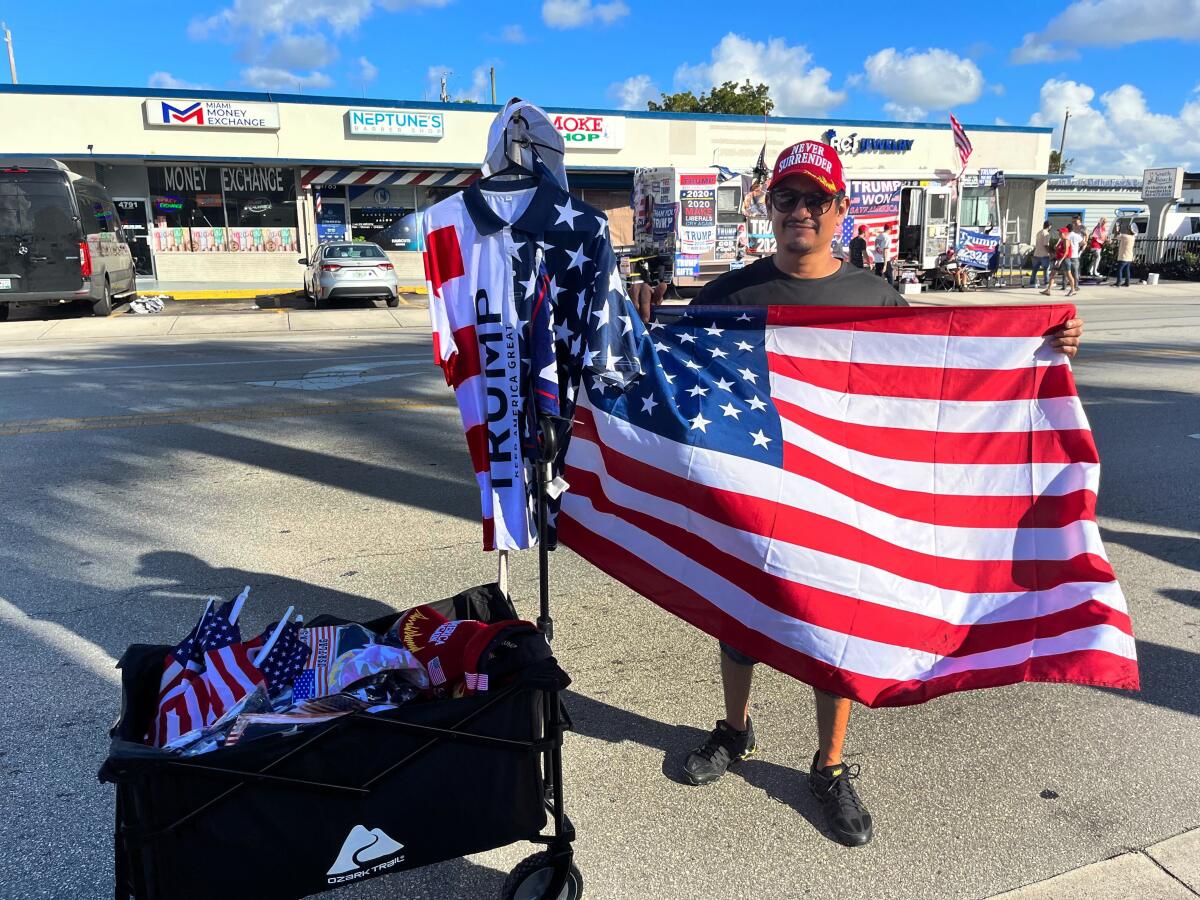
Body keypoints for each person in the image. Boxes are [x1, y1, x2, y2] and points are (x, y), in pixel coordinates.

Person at [628, 140, 1084, 850]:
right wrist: (640, 328)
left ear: (840, 210)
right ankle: (734, 731)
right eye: (788, 198)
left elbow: (934, 384)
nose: (801, 211)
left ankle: (830, 765)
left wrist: (1041, 349)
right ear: (768, 207)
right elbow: (675, 382)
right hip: (754, 491)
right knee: (740, 624)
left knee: (833, 626)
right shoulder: (727, 298)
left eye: (816, 199)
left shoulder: (875, 299)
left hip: (840, 500)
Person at [1042, 226, 1076, 296]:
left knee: (1068, 275)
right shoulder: (1061, 241)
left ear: (1065, 233)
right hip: (1058, 260)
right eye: (1059, 232)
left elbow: (1066, 252)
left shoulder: (1066, 241)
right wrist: (1055, 254)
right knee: (1052, 274)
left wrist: (1060, 261)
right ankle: (1048, 290)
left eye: (1061, 233)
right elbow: (1058, 251)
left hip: (1065, 260)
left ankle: (1073, 290)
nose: (1059, 234)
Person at [1030, 220, 1052, 288]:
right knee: (1046, 269)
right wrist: (1050, 252)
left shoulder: (1039, 232)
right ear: (1049, 226)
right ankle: (1046, 283)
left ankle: (1032, 283)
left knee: (1034, 270)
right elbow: (1046, 245)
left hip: (1036, 253)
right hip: (1044, 255)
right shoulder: (1046, 234)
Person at [1115, 222, 1135, 286]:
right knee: (1127, 270)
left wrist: (1117, 229)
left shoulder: (1125, 236)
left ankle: (1118, 282)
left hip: (1124, 256)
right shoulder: (1133, 237)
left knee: (1119, 269)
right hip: (1129, 256)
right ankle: (1127, 282)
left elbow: (1117, 236)